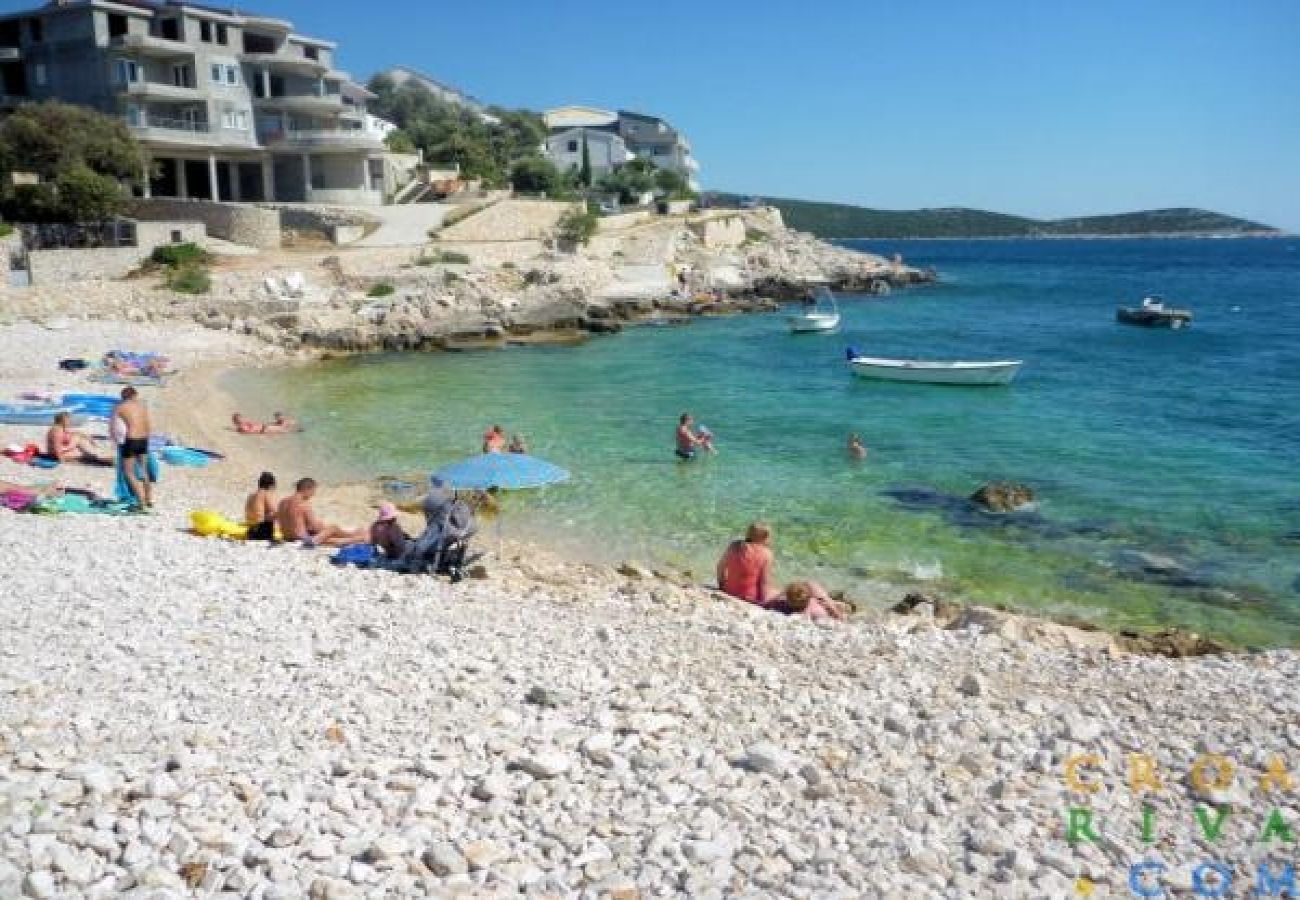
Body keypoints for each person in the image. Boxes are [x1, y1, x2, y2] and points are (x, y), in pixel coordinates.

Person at [275, 477, 367, 547]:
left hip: (287, 536)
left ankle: (354, 536)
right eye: (313, 491)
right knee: (333, 528)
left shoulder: (282, 502)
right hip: (302, 538)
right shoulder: (303, 503)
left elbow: (285, 521)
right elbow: (314, 527)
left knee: (327, 534)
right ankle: (354, 536)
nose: (313, 494)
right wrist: (325, 529)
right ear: (307, 489)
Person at [716, 522, 777, 606]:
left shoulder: (734, 546)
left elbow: (720, 568)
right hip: (749, 597)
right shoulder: (766, 554)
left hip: (729, 590)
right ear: (764, 538)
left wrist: (722, 586)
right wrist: (764, 602)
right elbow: (764, 582)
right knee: (776, 592)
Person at [113, 387, 152, 509]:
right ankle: (148, 499)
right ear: (135, 395)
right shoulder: (143, 406)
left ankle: (141, 504)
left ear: (123, 397)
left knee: (128, 472)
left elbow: (113, 426)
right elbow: (148, 424)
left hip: (131, 440)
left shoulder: (120, 407)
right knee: (144, 469)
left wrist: (116, 440)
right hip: (144, 439)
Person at [46, 412, 112, 465]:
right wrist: (63, 459)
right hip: (56, 455)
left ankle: (94, 457)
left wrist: (89, 438)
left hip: (61, 452)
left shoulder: (61, 428)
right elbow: (57, 449)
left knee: (77, 437)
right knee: (83, 454)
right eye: (68, 420)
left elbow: (77, 433)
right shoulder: (57, 431)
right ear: (63, 421)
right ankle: (96, 459)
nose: (70, 422)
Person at [770, 581, 846, 621]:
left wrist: (839, 617)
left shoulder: (811, 611)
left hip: (824, 604)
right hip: (822, 602)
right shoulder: (813, 607)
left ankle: (839, 602)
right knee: (833, 604)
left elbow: (834, 614)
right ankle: (837, 600)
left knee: (838, 606)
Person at [244, 472, 279, 541]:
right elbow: (274, 511)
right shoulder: (266, 493)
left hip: (250, 531)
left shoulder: (251, 496)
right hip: (262, 532)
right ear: (271, 485)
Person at [232, 413, 298, 435]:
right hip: (264, 429)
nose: (241, 419)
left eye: (240, 418)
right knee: (283, 429)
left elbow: (252, 425)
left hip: (264, 427)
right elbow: (249, 430)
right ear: (236, 421)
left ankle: (294, 427)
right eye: (239, 418)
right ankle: (295, 430)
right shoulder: (241, 428)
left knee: (282, 427)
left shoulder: (242, 425)